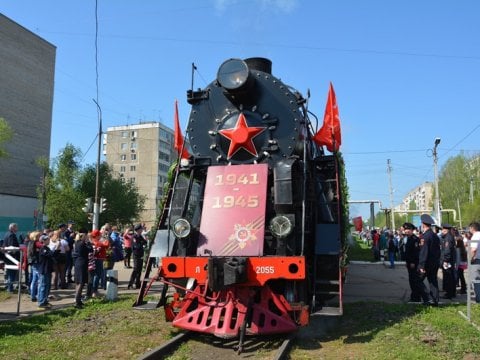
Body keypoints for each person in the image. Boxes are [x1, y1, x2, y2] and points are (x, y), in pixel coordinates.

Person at [418, 214, 441, 306]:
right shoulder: (435, 236)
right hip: (434, 262)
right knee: (433, 281)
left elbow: (424, 252)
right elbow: (438, 250)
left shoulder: (425, 237)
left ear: (423, 224)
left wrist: (422, 265)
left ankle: (427, 298)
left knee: (417, 280)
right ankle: (435, 300)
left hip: (427, 264)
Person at [403, 222, 423, 303]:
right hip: (409, 263)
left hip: (413, 264)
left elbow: (416, 253)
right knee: (411, 281)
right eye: (405, 229)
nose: (406, 231)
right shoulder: (409, 238)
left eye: (408, 229)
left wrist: (412, 262)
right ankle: (414, 296)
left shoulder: (415, 239)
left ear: (412, 230)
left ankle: (416, 297)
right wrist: (407, 262)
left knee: (414, 281)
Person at [73, 229, 91, 308]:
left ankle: (78, 300)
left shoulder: (77, 243)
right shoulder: (82, 244)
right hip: (82, 264)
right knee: (81, 283)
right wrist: (88, 242)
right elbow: (90, 249)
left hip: (78, 263)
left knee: (78, 283)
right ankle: (77, 301)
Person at [37, 234, 54, 309]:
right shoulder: (43, 248)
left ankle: (45, 300)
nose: (49, 240)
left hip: (48, 269)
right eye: (47, 239)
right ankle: (41, 302)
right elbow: (48, 255)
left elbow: (52, 255)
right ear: (43, 241)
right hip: (44, 269)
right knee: (43, 286)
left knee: (48, 286)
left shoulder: (47, 248)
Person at [439, 223, 456, 299]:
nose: (441, 230)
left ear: (445, 229)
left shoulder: (448, 238)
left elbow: (447, 250)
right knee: (449, 277)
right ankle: (451, 292)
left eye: (442, 229)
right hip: (449, 260)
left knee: (448, 277)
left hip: (448, 261)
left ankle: (449, 294)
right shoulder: (448, 236)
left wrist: (445, 260)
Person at [128, 224, 147, 290]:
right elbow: (136, 246)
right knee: (135, 270)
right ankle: (130, 284)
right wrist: (142, 243)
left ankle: (137, 284)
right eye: (141, 229)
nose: (142, 230)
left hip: (141, 254)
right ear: (138, 230)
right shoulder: (134, 237)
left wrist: (143, 241)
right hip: (136, 255)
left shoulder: (140, 236)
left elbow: (145, 242)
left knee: (139, 270)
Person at [3, 223, 20, 293]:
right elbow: (12, 246)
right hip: (11, 257)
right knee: (11, 273)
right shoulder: (11, 235)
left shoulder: (7, 234)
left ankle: (9, 287)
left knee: (9, 273)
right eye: (16, 227)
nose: (17, 229)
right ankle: (10, 288)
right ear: (13, 228)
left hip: (8, 256)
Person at [27, 231, 42, 302]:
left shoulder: (30, 243)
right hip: (37, 262)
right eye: (39, 236)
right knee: (40, 280)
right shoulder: (36, 243)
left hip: (32, 262)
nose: (40, 237)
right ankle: (39, 296)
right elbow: (42, 246)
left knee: (34, 280)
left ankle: (33, 296)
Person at [468, 222, 480, 303]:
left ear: (472, 228)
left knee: (476, 280)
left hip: (477, 260)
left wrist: (470, 259)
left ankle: (479, 298)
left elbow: (473, 249)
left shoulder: (475, 236)